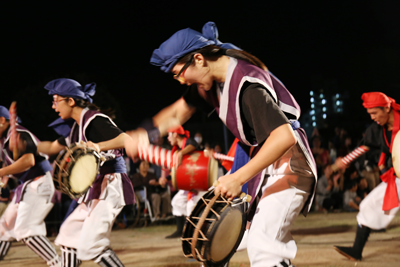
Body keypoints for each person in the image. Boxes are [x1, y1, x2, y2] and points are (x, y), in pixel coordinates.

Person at [125, 21, 317, 267]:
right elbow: (175, 114)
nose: (181, 81)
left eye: (178, 73)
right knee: (227, 239)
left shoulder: (247, 85)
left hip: (290, 164)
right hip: (262, 164)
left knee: (264, 245)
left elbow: (283, 137)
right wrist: (144, 133)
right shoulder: (211, 82)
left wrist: (237, 178)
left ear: (198, 59)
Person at [37, 78, 135, 267]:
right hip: (97, 187)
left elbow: (126, 140)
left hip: (111, 184)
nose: (53, 106)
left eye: (56, 100)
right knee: (68, 235)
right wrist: (26, 143)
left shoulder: (94, 120)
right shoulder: (76, 128)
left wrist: (98, 145)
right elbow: (49, 147)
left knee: (93, 246)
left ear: (70, 101)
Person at [334, 92, 400, 261]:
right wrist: (345, 160)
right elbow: (365, 146)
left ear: (386, 108)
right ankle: (356, 250)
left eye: (374, 113)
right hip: (397, 178)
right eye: (370, 114)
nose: (373, 118)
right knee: (368, 204)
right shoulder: (378, 130)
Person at [0, 105, 60, 266]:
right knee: (4, 227)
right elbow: (10, 168)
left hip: (39, 183)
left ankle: (59, 264)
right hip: (28, 185)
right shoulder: (3, 141)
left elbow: (29, 161)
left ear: (1, 120)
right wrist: (5, 175)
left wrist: (1, 171)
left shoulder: (17, 133)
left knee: (26, 230)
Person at [161, 126, 205, 238]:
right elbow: (176, 172)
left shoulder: (187, 144)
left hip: (200, 181)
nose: (168, 138)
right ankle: (182, 230)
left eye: (169, 135)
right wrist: (166, 179)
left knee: (191, 206)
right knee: (176, 202)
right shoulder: (176, 150)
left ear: (176, 134)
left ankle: (196, 231)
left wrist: (181, 153)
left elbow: (194, 145)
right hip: (189, 183)